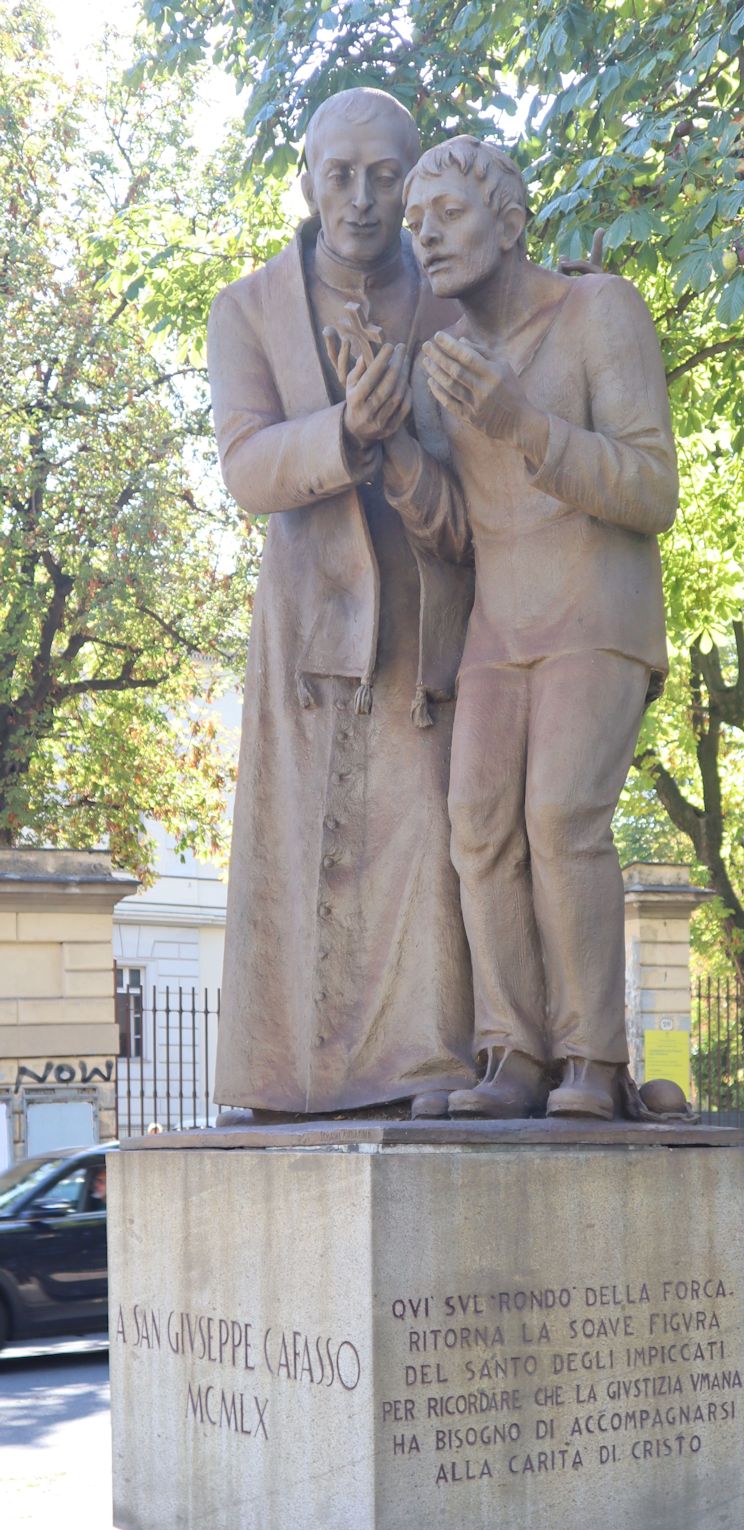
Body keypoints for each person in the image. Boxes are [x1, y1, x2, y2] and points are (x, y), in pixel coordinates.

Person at [384, 137, 678, 1120]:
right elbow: (454, 525)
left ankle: (592, 1057)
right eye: (413, 223)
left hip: (596, 604)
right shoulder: (441, 364)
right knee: (476, 827)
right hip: (497, 621)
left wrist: (526, 425)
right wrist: (381, 434)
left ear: (509, 223)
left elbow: (649, 487)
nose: (423, 235)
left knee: (558, 816)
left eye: (447, 215)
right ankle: (513, 1053)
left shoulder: (602, 311)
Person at [207, 91, 475, 1121]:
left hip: (423, 613)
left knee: (425, 838)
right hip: (307, 623)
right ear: (308, 179)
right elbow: (246, 464)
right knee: (292, 842)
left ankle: (424, 1063)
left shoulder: (456, 299)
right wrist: (342, 431)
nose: (361, 199)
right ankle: (283, 1077)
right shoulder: (248, 308)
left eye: (384, 177)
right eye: (341, 174)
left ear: (411, 188)